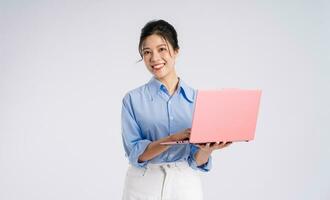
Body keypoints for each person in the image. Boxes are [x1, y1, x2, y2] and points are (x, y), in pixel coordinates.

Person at [121, 19, 232, 200]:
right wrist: (172, 139)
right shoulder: (132, 100)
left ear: (176, 51)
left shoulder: (198, 100)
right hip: (143, 184)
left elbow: (196, 160)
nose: (154, 58)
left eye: (161, 49)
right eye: (147, 52)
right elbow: (135, 154)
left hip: (185, 184)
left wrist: (208, 149)